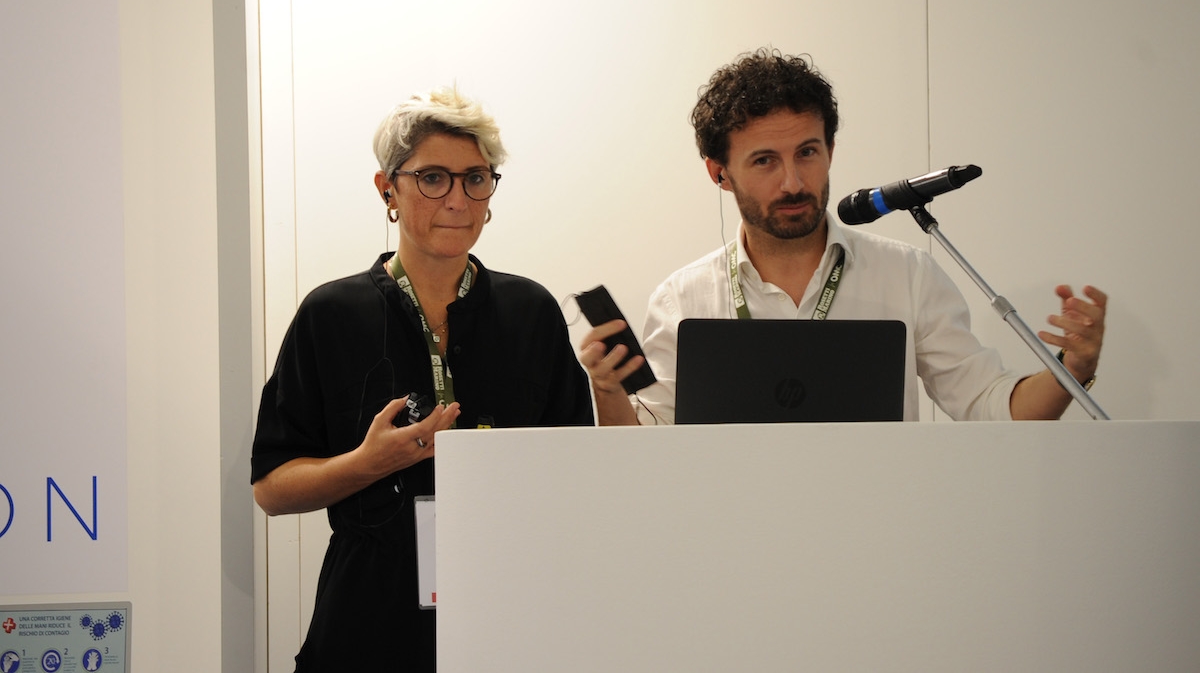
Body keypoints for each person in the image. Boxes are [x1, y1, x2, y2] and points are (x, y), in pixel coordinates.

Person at [251, 87, 594, 671]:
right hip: (368, 627)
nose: (458, 200)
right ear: (387, 189)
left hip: (508, 616)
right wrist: (368, 464)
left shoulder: (531, 311)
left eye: (476, 179)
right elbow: (271, 489)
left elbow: (577, 471)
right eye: (432, 178)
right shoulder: (331, 315)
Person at [582, 48, 1106, 424]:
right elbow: (649, 446)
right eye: (765, 161)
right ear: (719, 173)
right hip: (734, 533)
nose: (793, 182)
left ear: (830, 150)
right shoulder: (681, 299)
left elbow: (991, 406)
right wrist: (606, 389)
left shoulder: (907, 275)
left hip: (878, 530)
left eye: (807, 153)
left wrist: (1073, 369)